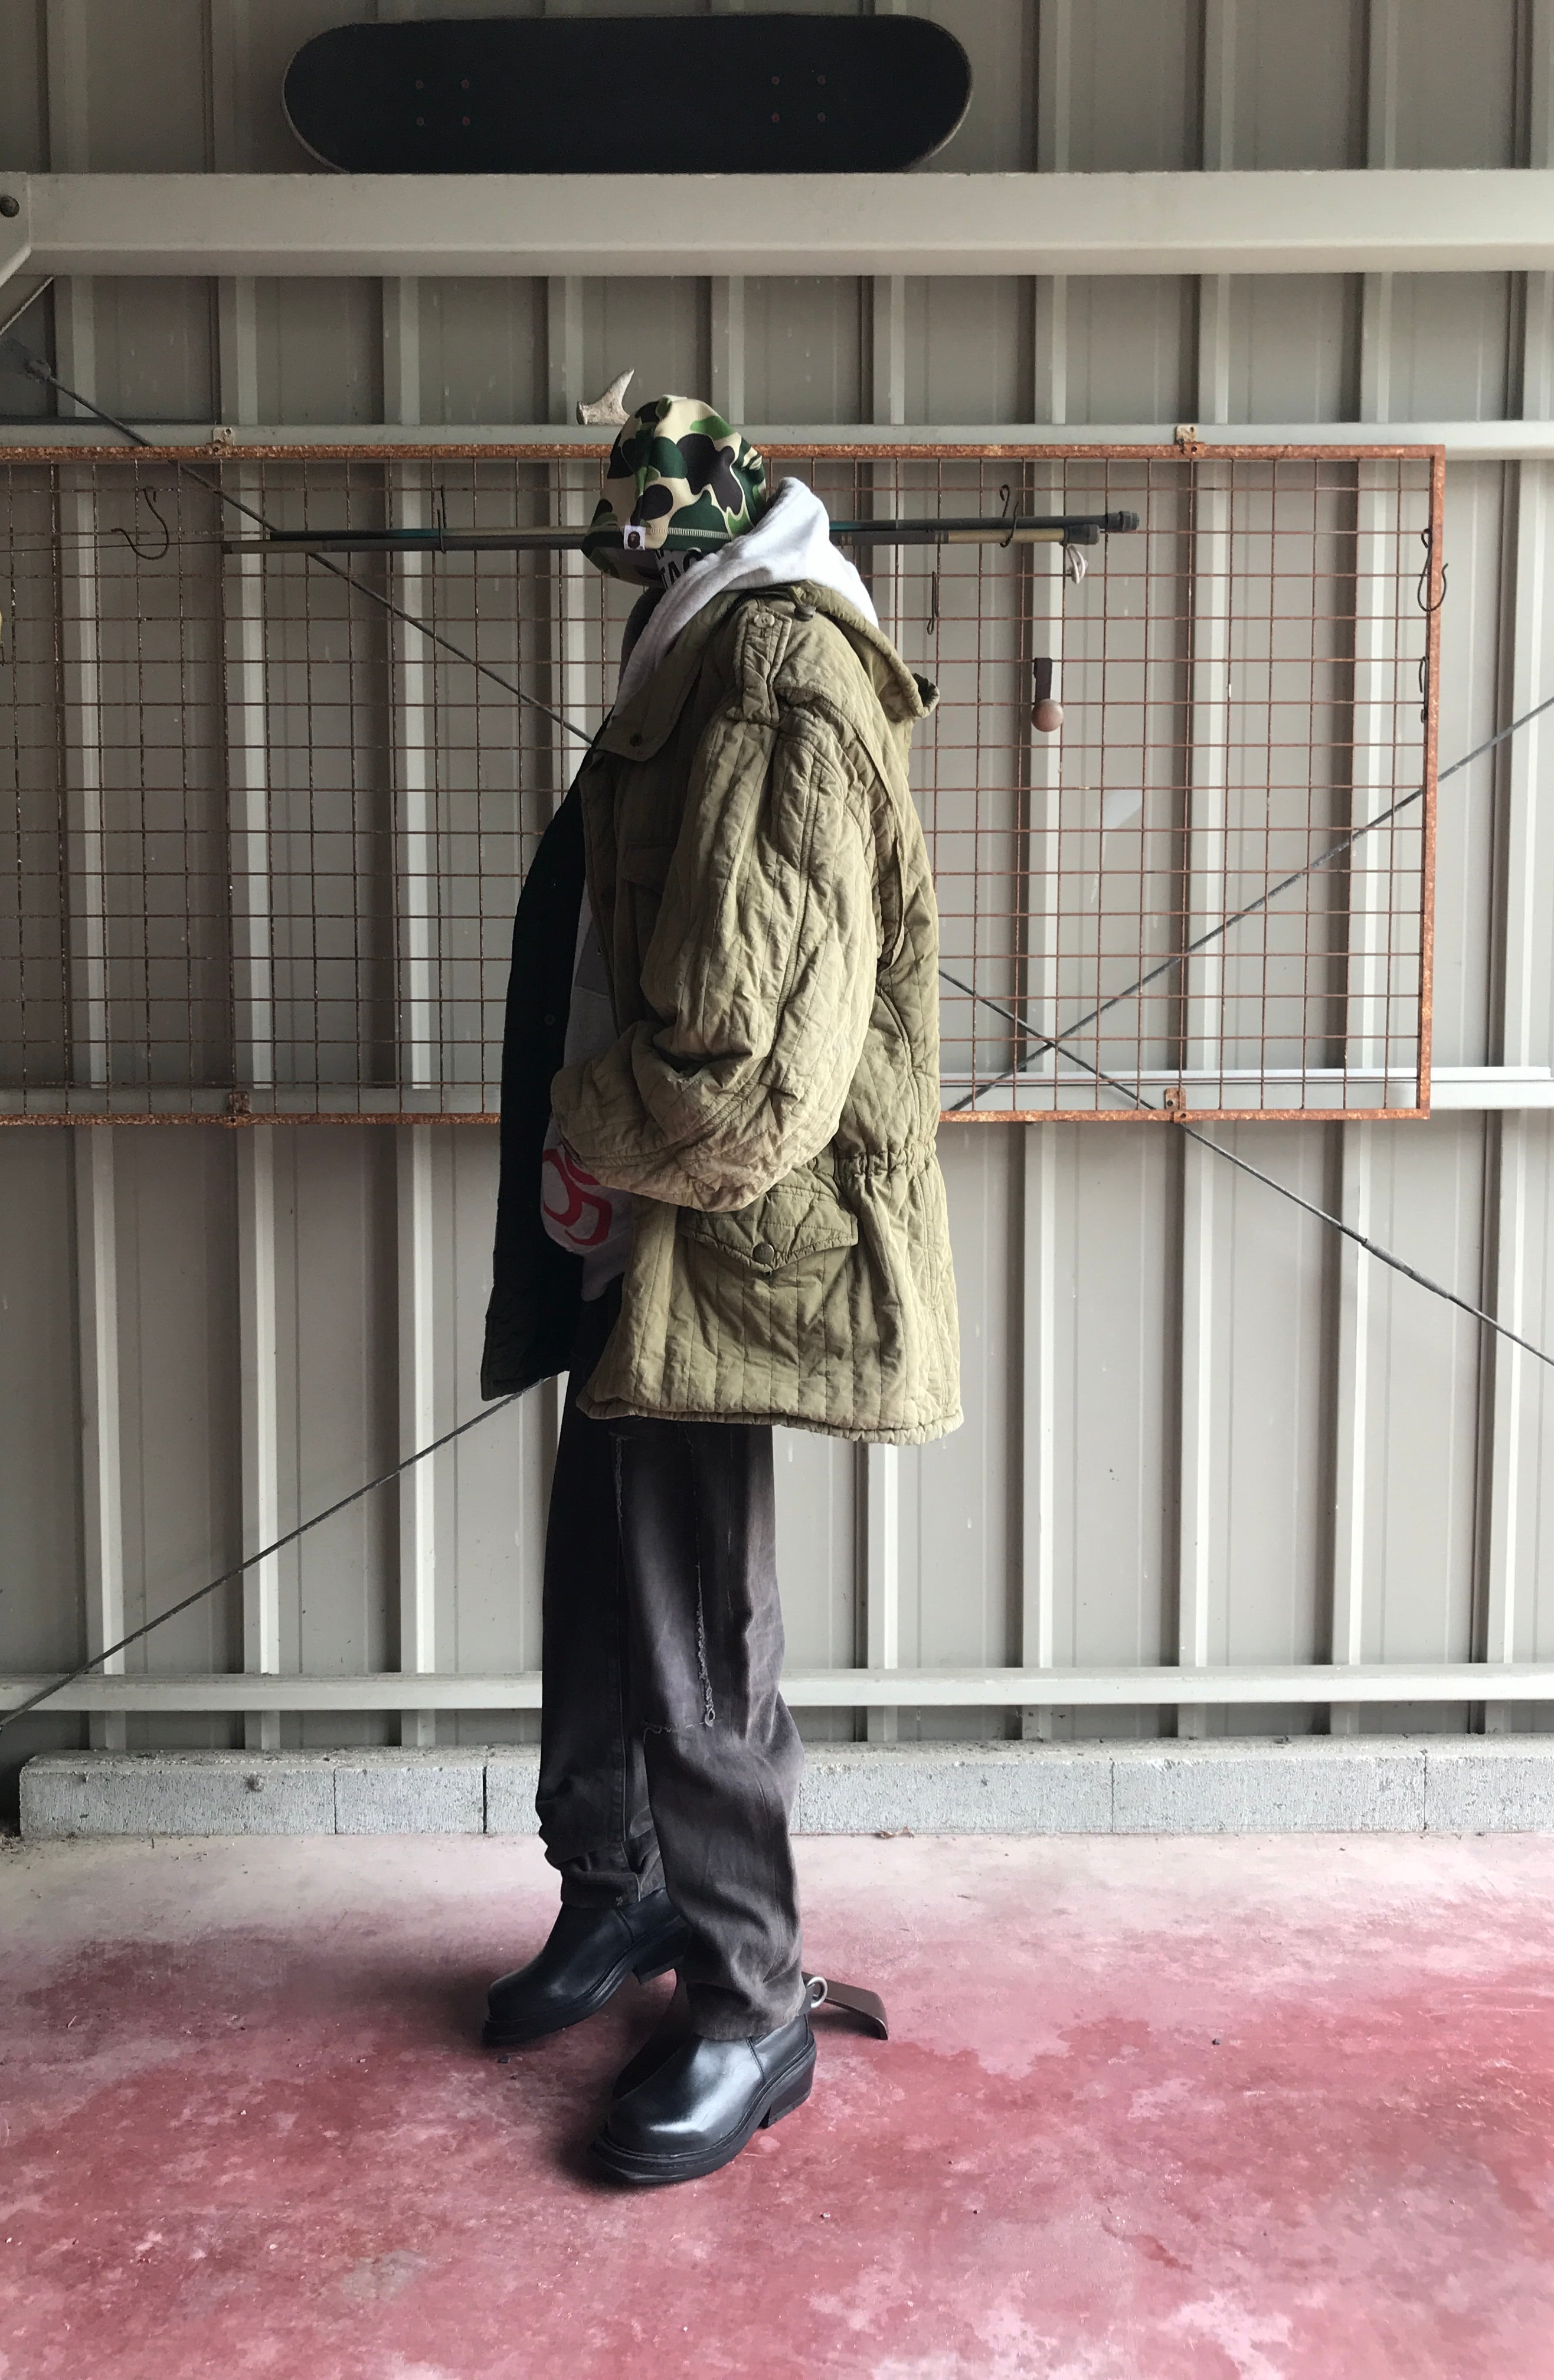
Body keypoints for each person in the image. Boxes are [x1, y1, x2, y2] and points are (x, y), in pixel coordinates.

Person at [479, 395, 961, 2185]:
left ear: (699, 520)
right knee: (608, 1572)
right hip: (634, 1212)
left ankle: (752, 2005)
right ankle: (619, 1894)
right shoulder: (701, 639)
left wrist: (592, 1131)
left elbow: (757, 1068)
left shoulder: (770, 666)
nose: (620, 548)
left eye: (638, 520)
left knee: (692, 1616)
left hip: (702, 1211)